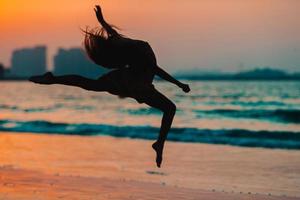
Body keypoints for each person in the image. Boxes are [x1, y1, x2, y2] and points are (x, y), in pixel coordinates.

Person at [29, 5, 190, 167]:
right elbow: (156, 70)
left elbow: (114, 34)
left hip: (125, 81)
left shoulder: (127, 45)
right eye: (113, 39)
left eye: (113, 39)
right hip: (136, 85)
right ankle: (160, 143)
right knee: (170, 109)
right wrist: (179, 84)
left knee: (89, 84)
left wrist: (102, 21)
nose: (114, 37)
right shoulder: (135, 49)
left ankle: (52, 79)